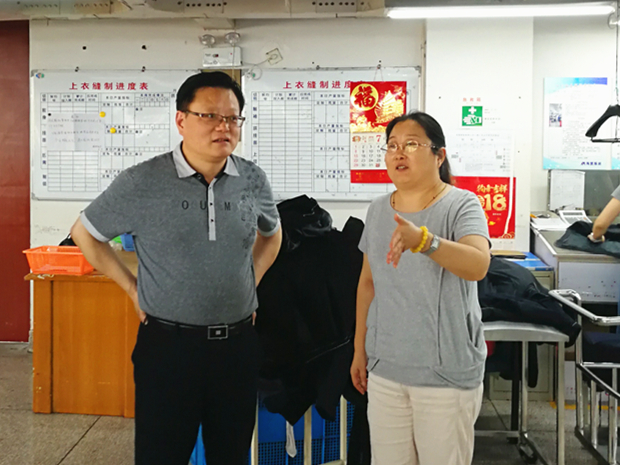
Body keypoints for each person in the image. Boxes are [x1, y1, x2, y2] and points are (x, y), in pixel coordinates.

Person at [70, 71, 282, 465]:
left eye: (232, 118)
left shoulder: (252, 177)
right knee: (162, 455)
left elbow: (272, 235)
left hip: (236, 347)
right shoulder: (142, 181)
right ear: (181, 120)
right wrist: (132, 289)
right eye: (210, 116)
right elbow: (85, 234)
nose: (223, 126)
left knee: (232, 455)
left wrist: (249, 282)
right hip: (169, 348)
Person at [350, 111, 491, 465]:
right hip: (386, 369)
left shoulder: (461, 204)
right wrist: (359, 349)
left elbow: (478, 264)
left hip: (444, 375)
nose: (399, 153)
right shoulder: (378, 210)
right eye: (392, 146)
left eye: (411, 144)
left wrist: (426, 241)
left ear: (439, 155)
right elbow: (368, 283)